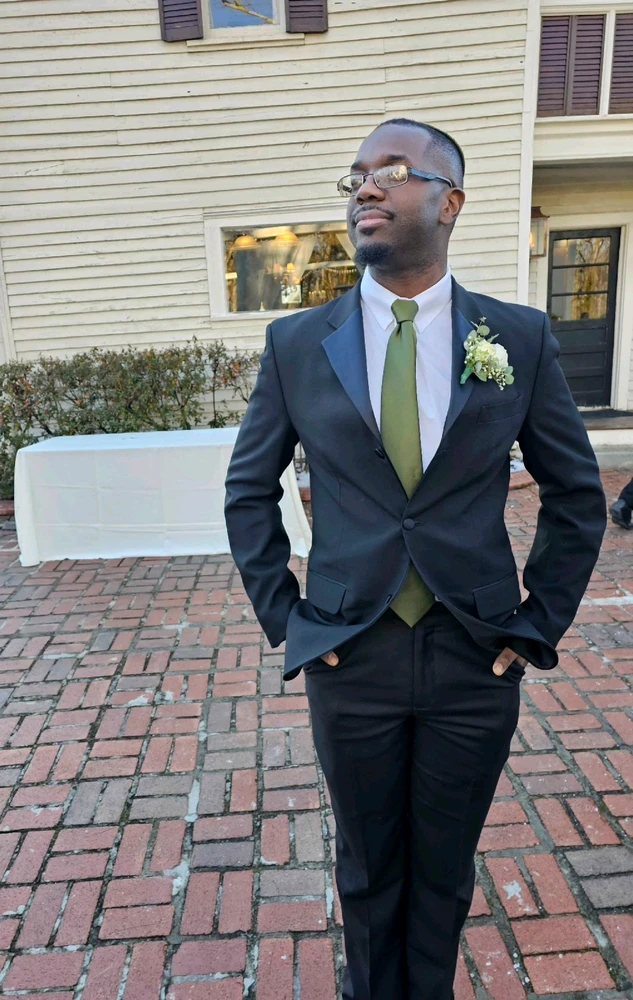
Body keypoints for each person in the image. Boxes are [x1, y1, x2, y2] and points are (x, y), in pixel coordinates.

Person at [225, 119, 606, 1000]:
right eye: (354, 175)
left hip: (474, 654)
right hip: (347, 651)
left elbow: (576, 495)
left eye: (391, 171)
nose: (366, 187)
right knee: (365, 868)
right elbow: (249, 493)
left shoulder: (518, 338)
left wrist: (534, 626)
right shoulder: (297, 346)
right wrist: (292, 624)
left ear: (449, 201)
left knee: (440, 871)